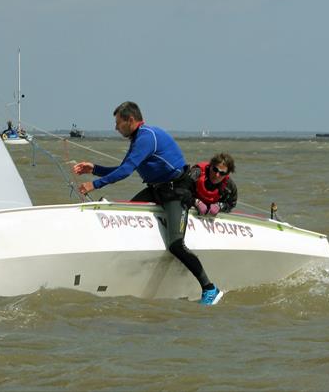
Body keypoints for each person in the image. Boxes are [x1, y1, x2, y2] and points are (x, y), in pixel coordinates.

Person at [71, 101, 224, 306]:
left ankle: (210, 288)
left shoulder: (146, 137)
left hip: (175, 192)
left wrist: (94, 184)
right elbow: (125, 167)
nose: (116, 128)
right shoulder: (138, 139)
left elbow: (125, 172)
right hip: (157, 190)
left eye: (118, 123)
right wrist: (94, 168)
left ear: (130, 120)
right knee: (125, 219)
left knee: (176, 245)